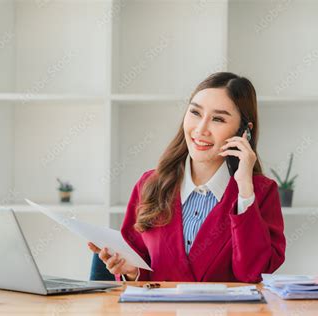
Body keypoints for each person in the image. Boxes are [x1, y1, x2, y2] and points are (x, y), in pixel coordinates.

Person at [88, 72, 285, 282]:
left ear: (244, 131)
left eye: (218, 119)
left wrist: (245, 189)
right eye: (195, 113)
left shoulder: (259, 192)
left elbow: (253, 273)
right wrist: (130, 271)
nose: (201, 129)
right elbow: (141, 269)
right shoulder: (150, 184)